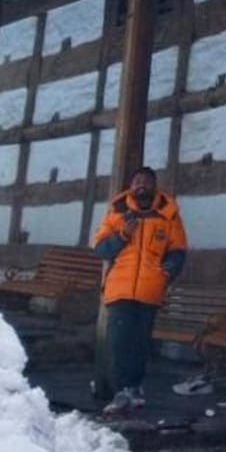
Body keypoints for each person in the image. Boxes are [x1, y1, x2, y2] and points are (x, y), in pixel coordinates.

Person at [92, 166, 188, 415]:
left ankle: (134, 388)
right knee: (118, 341)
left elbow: (178, 250)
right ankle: (120, 390)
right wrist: (123, 235)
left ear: (154, 186)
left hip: (150, 288)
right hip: (119, 289)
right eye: (136, 181)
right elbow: (100, 248)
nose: (141, 185)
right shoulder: (117, 212)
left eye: (146, 181)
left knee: (140, 343)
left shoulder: (168, 214)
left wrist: (166, 272)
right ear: (131, 186)